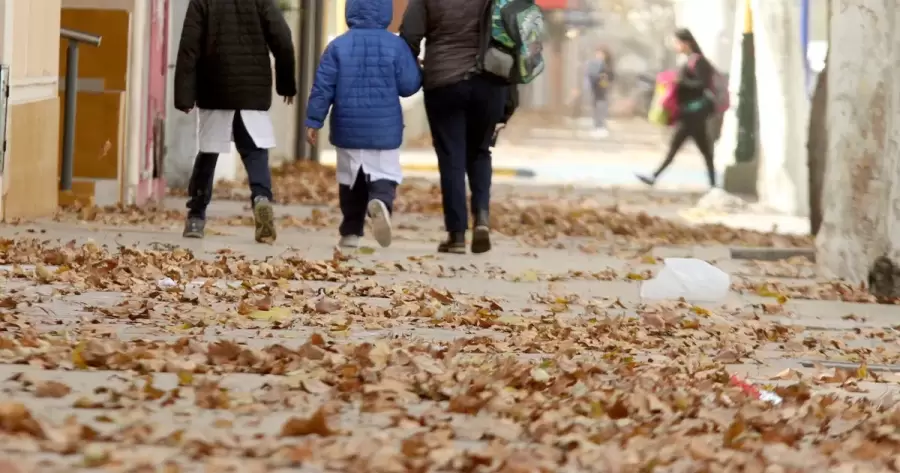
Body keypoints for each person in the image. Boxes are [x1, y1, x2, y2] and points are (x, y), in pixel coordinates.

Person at [174, 0, 296, 243]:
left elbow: (189, 47)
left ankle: (196, 216)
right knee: (255, 152)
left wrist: (184, 96)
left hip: (215, 88)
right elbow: (282, 38)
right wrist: (286, 84)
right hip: (252, 91)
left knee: (208, 153)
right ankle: (261, 198)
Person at [305, 0, 422, 250]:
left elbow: (322, 88)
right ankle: (380, 202)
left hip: (347, 126)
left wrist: (313, 121)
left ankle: (350, 231)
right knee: (385, 174)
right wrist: (418, 69)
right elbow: (408, 86)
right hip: (384, 128)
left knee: (350, 180)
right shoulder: (396, 45)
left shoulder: (338, 46)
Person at [401, 0, 509, 255]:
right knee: (480, 151)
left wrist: (416, 67)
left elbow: (410, 35)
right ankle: (482, 218)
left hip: (444, 81)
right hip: (490, 80)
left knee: (451, 157)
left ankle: (457, 234)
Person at [637, 28, 717, 188]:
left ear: (686, 43)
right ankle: (713, 184)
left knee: (676, 147)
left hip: (693, 113)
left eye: (677, 42)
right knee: (704, 150)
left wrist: (681, 82)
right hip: (689, 113)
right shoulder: (688, 60)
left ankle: (654, 176)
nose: (675, 46)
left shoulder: (698, 62)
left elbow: (702, 84)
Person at [585, 46, 614, 138]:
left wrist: (605, 78)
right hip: (595, 89)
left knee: (601, 108)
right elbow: (590, 76)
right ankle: (597, 126)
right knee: (596, 108)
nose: (598, 55)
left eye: (600, 54)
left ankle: (601, 127)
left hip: (603, 90)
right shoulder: (594, 64)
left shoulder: (607, 65)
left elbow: (611, 77)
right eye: (597, 54)